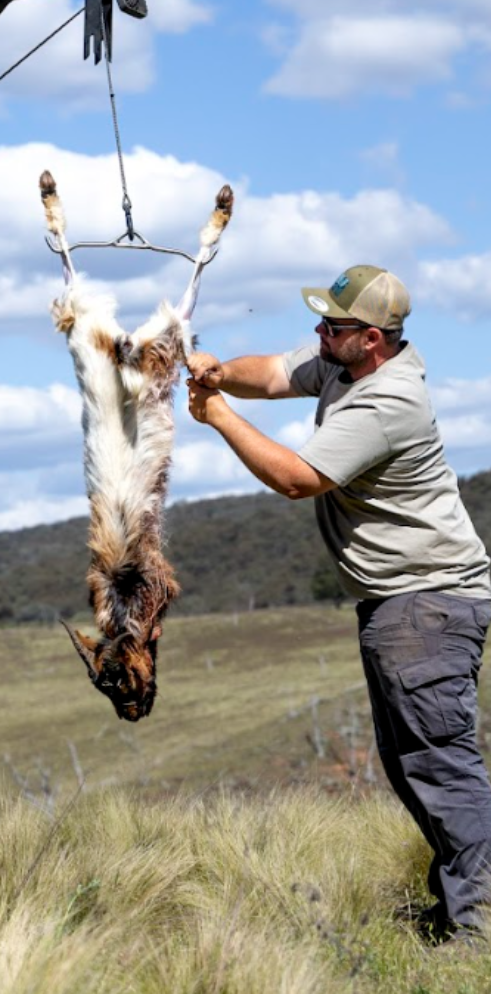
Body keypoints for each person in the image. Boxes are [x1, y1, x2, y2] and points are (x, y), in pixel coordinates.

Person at [185, 264, 491, 945]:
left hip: (427, 604)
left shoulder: (387, 402)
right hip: (400, 605)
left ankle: (480, 931)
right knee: (414, 768)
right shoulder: (339, 359)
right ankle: (459, 914)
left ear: (374, 339)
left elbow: (299, 479)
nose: (319, 332)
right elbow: (268, 372)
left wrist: (218, 416)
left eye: (335, 324)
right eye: (322, 320)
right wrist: (217, 371)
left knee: (442, 771)